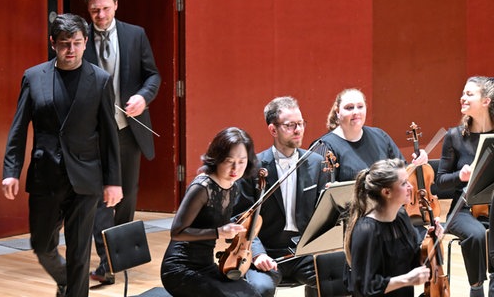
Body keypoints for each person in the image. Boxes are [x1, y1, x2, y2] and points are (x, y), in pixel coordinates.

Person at [1, 13, 122, 297]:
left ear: (85, 42)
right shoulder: (33, 77)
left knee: (80, 253)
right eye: (65, 43)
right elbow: (18, 129)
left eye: (77, 43)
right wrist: (10, 171)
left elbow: (108, 136)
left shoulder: (100, 80)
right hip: (46, 177)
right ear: (53, 43)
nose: (71, 50)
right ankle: (65, 280)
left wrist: (113, 180)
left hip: (85, 179)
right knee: (42, 246)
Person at [82, 0, 162, 284]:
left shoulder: (135, 35)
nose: (100, 16)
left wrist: (143, 96)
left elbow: (152, 75)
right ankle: (108, 261)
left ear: (116, 4)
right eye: (94, 11)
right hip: (92, 133)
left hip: (129, 128)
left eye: (104, 9)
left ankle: (116, 255)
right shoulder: (80, 37)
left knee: (126, 197)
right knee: (96, 197)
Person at [234, 96, 328, 297]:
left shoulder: (316, 163)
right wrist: (257, 254)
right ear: (273, 130)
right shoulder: (252, 168)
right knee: (261, 289)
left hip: (304, 252)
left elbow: (324, 214)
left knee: (340, 280)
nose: (298, 130)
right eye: (290, 125)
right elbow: (240, 217)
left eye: (301, 123)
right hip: (266, 251)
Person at [160, 127, 262, 297]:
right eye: (229, 161)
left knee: (252, 294)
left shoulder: (233, 186)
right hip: (180, 268)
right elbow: (177, 232)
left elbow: (216, 219)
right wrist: (218, 232)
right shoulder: (201, 188)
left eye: (242, 161)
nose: (235, 168)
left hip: (206, 264)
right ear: (217, 158)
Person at [344, 158, 443, 296]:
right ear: (386, 192)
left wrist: (430, 242)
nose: (411, 187)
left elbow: (413, 261)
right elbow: (364, 288)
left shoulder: (401, 217)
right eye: (404, 183)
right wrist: (407, 279)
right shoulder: (366, 230)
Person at [436, 76, 494, 297]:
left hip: (492, 207)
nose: (462, 97)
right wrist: (460, 176)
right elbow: (439, 185)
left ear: (486, 101)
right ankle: (477, 289)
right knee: (477, 234)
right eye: (463, 93)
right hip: (463, 209)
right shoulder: (455, 137)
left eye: (469, 94)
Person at [315, 88, 428, 183]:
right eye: (349, 107)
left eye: (360, 106)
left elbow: (402, 173)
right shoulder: (325, 147)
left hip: (388, 207)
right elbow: (326, 196)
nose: (356, 112)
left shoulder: (380, 136)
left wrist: (418, 163)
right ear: (337, 112)